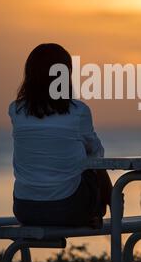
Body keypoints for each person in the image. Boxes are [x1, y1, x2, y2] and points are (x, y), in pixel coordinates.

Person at [9, 43, 112, 228]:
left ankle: (100, 212)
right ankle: (109, 211)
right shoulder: (78, 111)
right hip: (67, 209)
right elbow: (97, 156)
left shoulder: (16, 110)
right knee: (93, 166)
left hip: (24, 210)